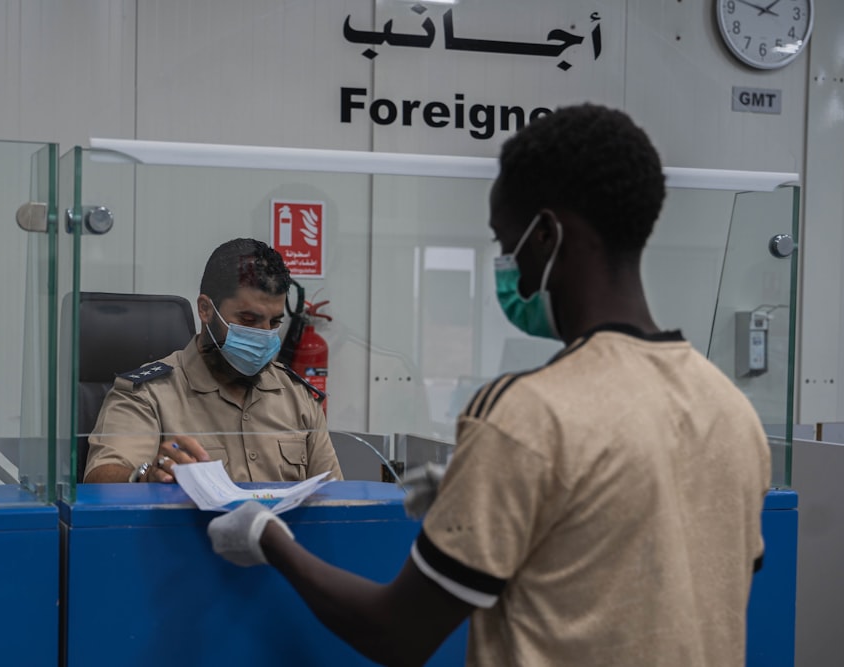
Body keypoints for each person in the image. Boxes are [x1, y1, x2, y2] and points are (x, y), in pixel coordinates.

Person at [206, 104, 771, 666]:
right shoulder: (730, 410)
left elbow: (396, 633)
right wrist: (496, 484)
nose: (507, 266)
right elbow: (651, 568)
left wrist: (269, 539)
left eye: (506, 245)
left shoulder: (528, 414)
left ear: (546, 235)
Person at [84, 238, 342, 484]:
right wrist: (145, 477)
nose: (264, 334)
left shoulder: (298, 398)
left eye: (274, 323)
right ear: (206, 309)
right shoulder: (148, 394)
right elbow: (101, 480)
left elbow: (336, 500)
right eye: (249, 321)